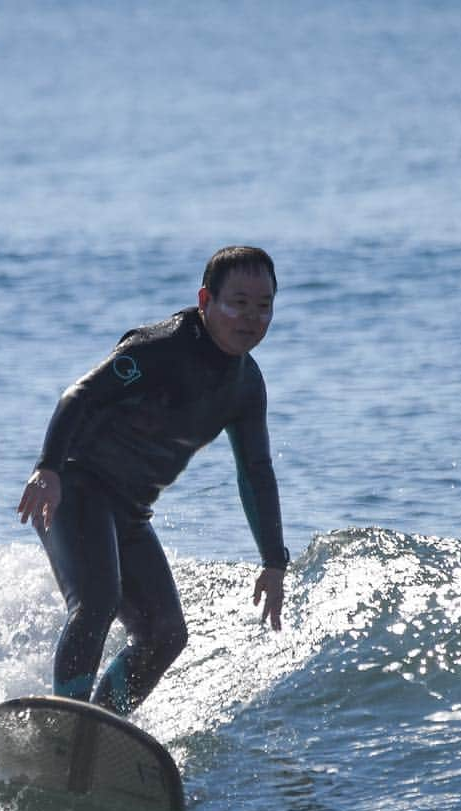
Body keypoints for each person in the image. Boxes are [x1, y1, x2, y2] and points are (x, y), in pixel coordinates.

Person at [16, 245, 289, 716]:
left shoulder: (245, 385)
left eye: (264, 306)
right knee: (97, 602)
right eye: (238, 303)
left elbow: (255, 472)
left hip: (129, 513)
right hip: (75, 487)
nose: (252, 318)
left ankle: (101, 726)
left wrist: (272, 560)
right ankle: (66, 720)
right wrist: (48, 467)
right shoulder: (160, 347)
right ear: (206, 301)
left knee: (166, 633)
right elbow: (79, 396)